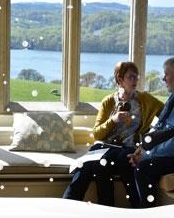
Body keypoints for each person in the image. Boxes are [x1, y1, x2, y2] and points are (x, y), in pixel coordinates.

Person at [63, 61, 164, 207]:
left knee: (111, 162)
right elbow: (97, 134)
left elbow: (167, 114)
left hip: (129, 147)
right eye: (130, 77)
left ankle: (124, 208)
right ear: (120, 79)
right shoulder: (109, 101)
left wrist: (153, 135)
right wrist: (113, 120)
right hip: (106, 146)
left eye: (136, 77)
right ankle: (69, 206)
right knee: (86, 166)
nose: (135, 80)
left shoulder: (145, 99)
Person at [127, 56, 174, 208]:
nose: (163, 79)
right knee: (127, 159)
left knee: (143, 168)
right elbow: (160, 126)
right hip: (170, 146)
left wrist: (149, 154)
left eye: (166, 74)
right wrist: (144, 147)